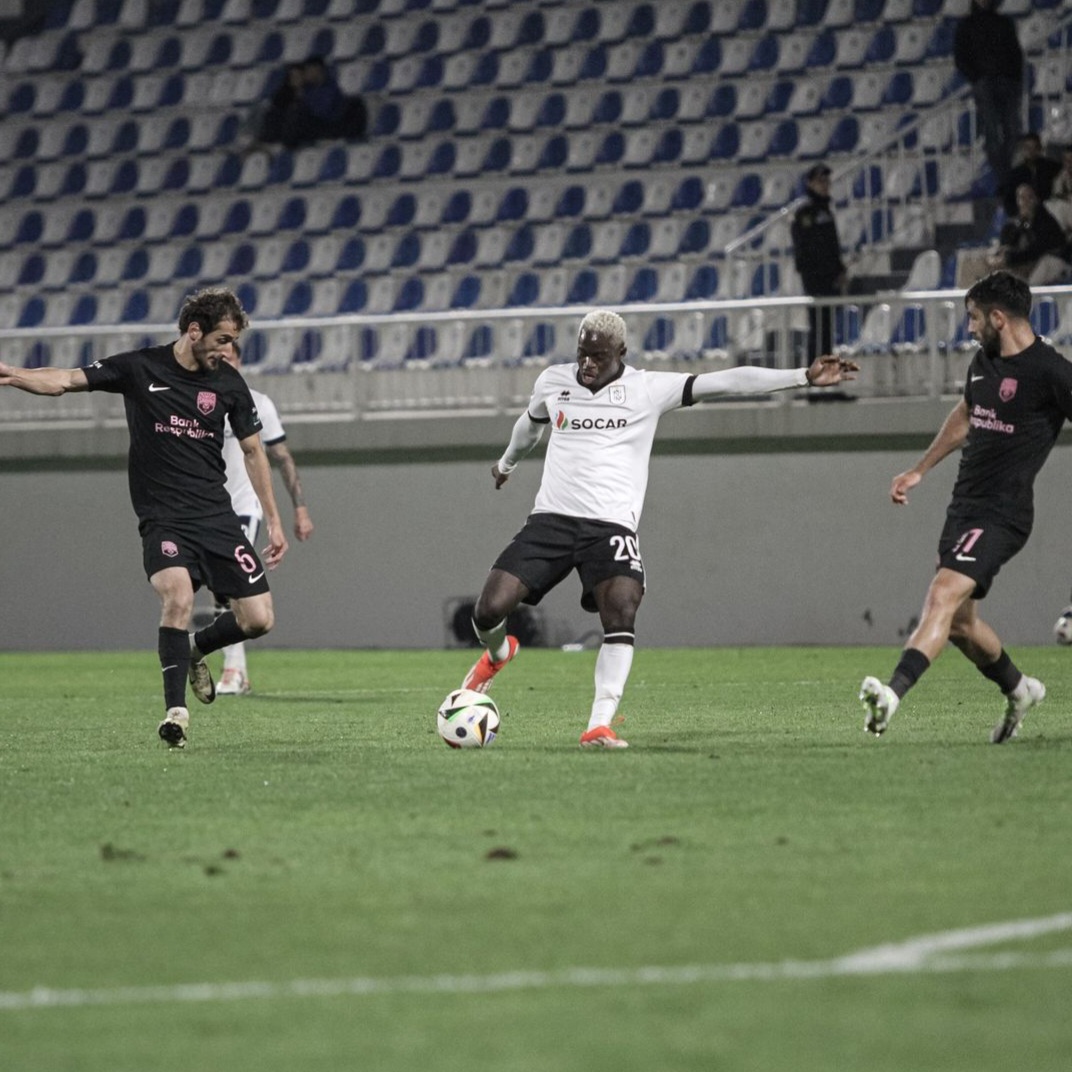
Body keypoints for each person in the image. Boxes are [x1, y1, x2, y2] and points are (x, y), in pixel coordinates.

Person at [460, 309, 859, 748]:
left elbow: (726, 381)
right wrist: (506, 464)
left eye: (598, 356)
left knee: (622, 612)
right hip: (550, 520)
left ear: (620, 353)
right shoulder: (554, 381)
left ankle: (598, 723)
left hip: (610, 527)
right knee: (487, 611)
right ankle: (498, 655)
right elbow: (529, 424)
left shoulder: (648, 389)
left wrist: (802, 375)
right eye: (582, 354)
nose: (588, 365)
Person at [0, 288, 289, 749]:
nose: (227, 350)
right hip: (164, 518)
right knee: (176, 595)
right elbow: (66, 380)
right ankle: (176, 713)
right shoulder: (141, 368)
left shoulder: (229, 385)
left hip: (217, 517)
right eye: (221, 339)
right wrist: (14, 375)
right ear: (194, 331)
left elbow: (255, 452)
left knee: (258, 619)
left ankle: (194, 649)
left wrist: (274, 520)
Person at [859, 271, 1072, 744]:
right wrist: (920, 469)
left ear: (999, 317)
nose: (970, 328)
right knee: (960, 623)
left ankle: (890, 697)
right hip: (964, 508)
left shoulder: (1052, 372)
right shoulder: (985, 362)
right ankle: (1020, 690)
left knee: (940, 596)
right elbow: (967, 413)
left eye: (974, 318)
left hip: (1004, 513)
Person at [212, 340, 314, 695]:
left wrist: (298, 507)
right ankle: (223, 664)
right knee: (208, 588)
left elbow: (282, 457)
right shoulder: (197, 400)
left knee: (227, 585)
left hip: (244, 507)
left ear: (238, 360)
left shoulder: (257, 403)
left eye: (228, 356)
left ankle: (234, 671)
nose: (222, 361)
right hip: (205, 509)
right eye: (216, 356)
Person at [954, 0, 1024, 190]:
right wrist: (977, 78)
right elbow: (960, 57)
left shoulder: (1004, 22)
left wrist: (1015, 78)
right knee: (992, 132)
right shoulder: (966, 25)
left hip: (1007, 82)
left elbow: (1016, 53)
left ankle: (1006, 177)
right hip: (985, 83)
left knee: (1012, 129)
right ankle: (1005, 178)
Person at [790, 164, 847, 362]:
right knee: (818, 329)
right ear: (811, 183)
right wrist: (814, 273)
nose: (825, 185)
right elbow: (807, 248)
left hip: (830, 277)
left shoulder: (826, 210)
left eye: (827, 181)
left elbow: (833, 244)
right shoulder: (805, 212)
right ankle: (816, 382)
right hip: (815, 278)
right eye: (820, 181)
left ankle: (827, 381)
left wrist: (839, 269)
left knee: (827, 330)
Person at [1001, 132, 1061, 217]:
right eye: (1027, 148)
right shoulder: (1015, 174)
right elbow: (1009, 200)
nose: (1031, 151)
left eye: (1034, 148)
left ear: (1040, 149)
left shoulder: (1051, 167)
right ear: (1023, 149)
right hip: (1024, 214)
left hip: (1049, 212)